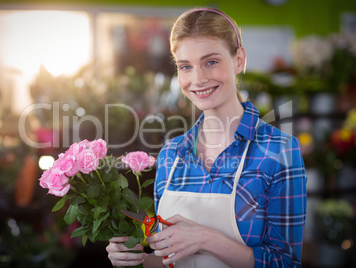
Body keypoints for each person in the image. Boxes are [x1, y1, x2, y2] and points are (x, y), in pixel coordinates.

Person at [107, 7, 307, 268]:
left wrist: (206, 238)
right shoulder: (172, 154)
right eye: (185, 66)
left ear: (239, 60)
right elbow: (169, 258)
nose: (197, 79)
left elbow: (287, 264)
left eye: (211, 62)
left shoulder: (278, 150)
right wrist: (137, 260)